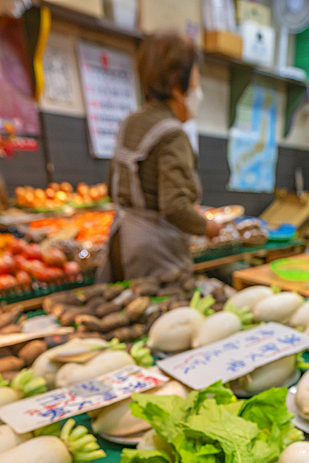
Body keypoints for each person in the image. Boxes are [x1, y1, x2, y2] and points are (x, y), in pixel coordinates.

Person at [98, 31, 222, 283]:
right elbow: (174, 206)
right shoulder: (172, 134)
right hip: (156, 254)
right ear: (178, 86)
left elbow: (112, 188)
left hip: (122, 241)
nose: (198, 92)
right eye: (197, 82)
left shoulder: (130, 122)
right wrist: (208, 228)